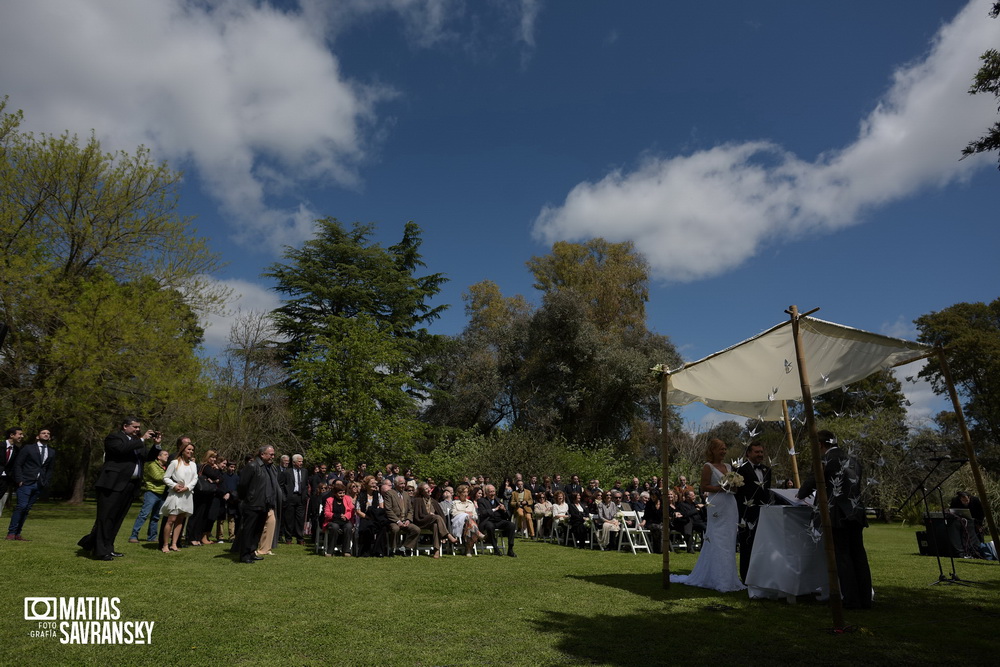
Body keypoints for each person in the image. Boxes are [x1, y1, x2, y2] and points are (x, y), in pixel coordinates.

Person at [797, 430, 872, 609]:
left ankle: (851, 600)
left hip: (837, 514)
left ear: (820, 445)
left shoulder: (824, 460)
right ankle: (865, 599)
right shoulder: (853, 459)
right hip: (855, 512)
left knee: (843, 557)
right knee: (859, 556)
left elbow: (808, 486)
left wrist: (801, 493)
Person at [78, 417, 163, 560]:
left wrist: (156, 446)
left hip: (130, 485)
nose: (137, 429)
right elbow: (120, 450)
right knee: (105, 518)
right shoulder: (114, 438)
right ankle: (99, 551)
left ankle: (108, 548)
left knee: (117, 519)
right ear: (125, 426)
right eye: (135, 427)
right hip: (112, 484)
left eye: (138, 427)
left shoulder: (137, 442)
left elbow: (147, 458)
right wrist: (141, 440)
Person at [670, 438, 746, 592]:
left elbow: (734, 489)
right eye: (721, 449)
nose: (724, 451)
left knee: (729, 540)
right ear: (712, 450)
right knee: (717, 539)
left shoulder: (728, 466)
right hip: (716, 504)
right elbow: (704, 486)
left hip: (730, 504)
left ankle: (729, 577)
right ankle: (717, 578)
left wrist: (735, 485)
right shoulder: (708, 466)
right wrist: (720, 488)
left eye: (725, 448)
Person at [6, 427, 56, 541]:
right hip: (25, 482)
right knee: (21, 507)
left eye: (48, 433)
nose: (46, 434)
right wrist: (19, 479)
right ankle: (11, 533)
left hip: (39, 484)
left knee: (27, 509)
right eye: (43, 433)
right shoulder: (28, 448)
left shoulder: (52, 452)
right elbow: (18, 464)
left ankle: (17, 534)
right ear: (37, 436)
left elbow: (50, 469)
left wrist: (46, 481)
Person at [735, 440, 774, 582]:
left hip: (765, 513)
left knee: (763, 545)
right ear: (748, 453)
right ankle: (746, 577)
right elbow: (737, 493)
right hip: (747, 513)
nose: (760, 455)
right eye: (757, 452)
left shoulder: (767, 470)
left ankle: (761, 574)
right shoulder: (740, 469)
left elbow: (767, 492)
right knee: (747, 545)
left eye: (761, 452)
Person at [236, 445, 280, 564]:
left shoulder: (268, 468)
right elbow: (242, 485)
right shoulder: (252, 466)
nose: (273, 456)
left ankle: (252, 552)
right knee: (248, 530)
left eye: (273, 454)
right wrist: (248, 498)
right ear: (262, 454)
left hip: (264, 504)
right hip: (253, 504)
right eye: (271, 454)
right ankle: (244, 555)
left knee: (257, 531)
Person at [159, 438, 198, 552]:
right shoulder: (175, 462)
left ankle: (174, 543)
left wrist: (188, 487)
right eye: (188, 449)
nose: (190, 452)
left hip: (187, 494)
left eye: (192, 450)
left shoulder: (193, 465)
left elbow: (195, 478)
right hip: (176, 494)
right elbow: (165, 477)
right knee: (171, 519)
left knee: (180, 520)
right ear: (183, 450)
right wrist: (174, 485)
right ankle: (165, 544)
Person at [129, 448, 170, 543]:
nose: (167, 456)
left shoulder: (166, 467)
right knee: (144, 514)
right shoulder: (152, 465)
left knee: (156, 517)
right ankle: (133, 536)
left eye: (167, 455)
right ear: (158, 457)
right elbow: (158, 477)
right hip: (152, 492)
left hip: (162, 493)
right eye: (165, 454)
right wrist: (170, 477)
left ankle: (151, 537)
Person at [412, 482, 458, 558]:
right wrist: (429, 515)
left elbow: (442, 515)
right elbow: (418, 515)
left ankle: (436, 551)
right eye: (426, 489)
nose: (428, 490)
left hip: (432, 523)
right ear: (422, 491)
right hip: (421, 521)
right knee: (436, 517)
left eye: (428, 488)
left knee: (436, 525)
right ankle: (448, 535)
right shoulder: (417, 500)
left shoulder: (433, 501)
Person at [188, 449, 222, 546]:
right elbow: (216, 476)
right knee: (197, 516)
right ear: (207, 457)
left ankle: (197, 538)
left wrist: (216, 479)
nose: (214, 459)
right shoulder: (205, 467)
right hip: (200, 495)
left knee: (202, 517)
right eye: (212, 457)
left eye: (215, 458)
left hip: (207, 495)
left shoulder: (209, 467)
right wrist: (216, 472)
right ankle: (192, 537)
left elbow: (221, 479)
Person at [383, 475, 420, 556]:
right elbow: (388, 510)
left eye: (404, 483)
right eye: (401, 484)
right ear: (395, 484)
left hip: (405, 520)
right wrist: (398, 521)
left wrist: (408, 520)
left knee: (416, 529)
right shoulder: (390, 494)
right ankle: (393, 549)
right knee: (395, 529)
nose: (403, 485)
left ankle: (404, 547)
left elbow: (410, 509)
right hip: (394, 521)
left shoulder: (406, 494)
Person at [477, 484, 517, 557]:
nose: (493, 494)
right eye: (490, 492)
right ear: (486, 493)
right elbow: (483, 513)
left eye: (493, 491)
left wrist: (504, 509)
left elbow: (507, 514)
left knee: (511, 525)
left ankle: (510, 549)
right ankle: (495, 548)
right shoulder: (481, 501)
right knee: (490, 527)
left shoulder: (498, 500)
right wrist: (495, 509)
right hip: (488, 521)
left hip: (499, 521)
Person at [280, 453, 308, 545]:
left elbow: (306, 485)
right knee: (289, 519)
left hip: (301, 497)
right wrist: (284, 497)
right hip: (290, 497)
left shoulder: (304, 471)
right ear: (294, 462)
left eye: (302, 461)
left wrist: (305, 495)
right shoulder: (287, 472)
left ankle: (300, 538)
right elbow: (282, 486)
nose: (301, 463)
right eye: (299, 461)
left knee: (300, 519)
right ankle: (288, 538)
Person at [322, 481, 354, 556]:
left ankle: (346, 551)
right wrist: (337, 516)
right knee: (334, 527)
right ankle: (330, 551)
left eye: (343, 493)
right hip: (332, 520)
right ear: (335, 493)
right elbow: (326, 513)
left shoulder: (348, 499)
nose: (342, 495)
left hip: (344, 521)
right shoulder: (329, 500)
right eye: (340, 493)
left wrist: (346, 516)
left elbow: (351, 510)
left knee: (348, 527)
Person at [451, 484, 484, 555]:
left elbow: (475, 515)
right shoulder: (455, 503)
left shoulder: (470, 503)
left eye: (467, 492)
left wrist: (470, 516)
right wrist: (465, 514)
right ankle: (477, 535)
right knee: (468, 519)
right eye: (464, 492)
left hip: (469, 525)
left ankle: (468, 550)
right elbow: (454, 513)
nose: (466, 494)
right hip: (459, 523)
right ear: (459, 493)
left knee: (470, 526)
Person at [1, 427, 25, 518]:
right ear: (12, 435)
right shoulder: (0, 445)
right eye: (20, 434)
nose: (22, 436)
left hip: (5, 481)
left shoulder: (16, 450)